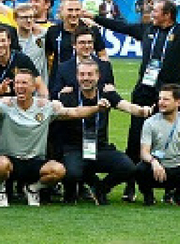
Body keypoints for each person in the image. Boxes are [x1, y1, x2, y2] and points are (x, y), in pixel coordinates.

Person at [0, 70, 106, 207]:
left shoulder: (45, 106)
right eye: (17, 83)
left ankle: (33, 189)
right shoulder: (6, 104)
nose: (20, 86)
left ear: (34, 87)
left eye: (24, 83)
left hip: (35, 161)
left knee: (58, 170)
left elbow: (75, 112)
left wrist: (97, 108)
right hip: (9, 160)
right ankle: (0, 190)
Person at [88, 0, 180, 201]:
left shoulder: (178, 33)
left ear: (167, 15)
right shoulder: (147, 30)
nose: (150, 12)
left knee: (170, 139)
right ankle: (131, 187)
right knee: (136, 140)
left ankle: (170, 189)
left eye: (155, 10)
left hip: (169, 95)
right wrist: (95, 18)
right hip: (143, 94)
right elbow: (122, 26)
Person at [58, 58, 150, 205]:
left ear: (98, 76)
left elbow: (127, 106)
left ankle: (100, 188)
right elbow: (68, 112)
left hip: (100, 148)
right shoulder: (67, 95)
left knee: (128, 167)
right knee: (72, 173)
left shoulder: (106, 93)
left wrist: (143, 110)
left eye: (90, 74)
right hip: (75, 149)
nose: (86, 78)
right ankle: (72, 191)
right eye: (82, 74)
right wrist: (96, 108)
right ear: (76, 76)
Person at [136, 84, 180, 205]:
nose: (161, 102)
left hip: (176, 168)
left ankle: (176, 195)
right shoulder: (150, 123)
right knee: (140, 169)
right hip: (157, 168)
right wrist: (154, 162)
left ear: (178, 102)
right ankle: (148, 196)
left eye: (166, 99)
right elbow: (144, 152)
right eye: (160, 98)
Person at [0, 27, 45, 97]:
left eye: (3, 41)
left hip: (21, 101)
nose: (0, 45)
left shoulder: (22, 59)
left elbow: (40, 85)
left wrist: (45, 103)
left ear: (9, 41)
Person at [44, 0, 106, 64]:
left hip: (84, 74)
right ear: (61, 11)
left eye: (77, 10)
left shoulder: (92, 29)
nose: (74, 14)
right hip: (59, 74)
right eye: (70, 10)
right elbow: (46, 56)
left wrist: (105, 72)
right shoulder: (53, 31)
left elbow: (102, 55)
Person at [51, 28, 116, 94]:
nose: (87, 46)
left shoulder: (105, 66)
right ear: (74, 45)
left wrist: (111, 91)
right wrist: (61, 93)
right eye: (82, 43)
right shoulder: (63, 68)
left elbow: (112, 92)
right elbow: (54, 95)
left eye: (89, 42)